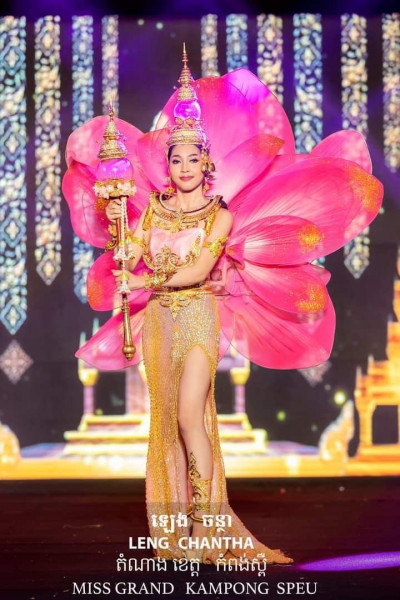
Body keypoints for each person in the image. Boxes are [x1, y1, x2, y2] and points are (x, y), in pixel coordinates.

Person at [63, 48, 383, 566]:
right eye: (176, 159)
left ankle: (205, 525)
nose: (185, 167)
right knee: (167, 423)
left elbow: (194, 271)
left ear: (206, 163)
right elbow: (132, 252)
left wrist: (146, 277)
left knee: (192, 416)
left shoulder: (221, 217)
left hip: (196, 316)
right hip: (159, 322)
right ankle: (181, 526)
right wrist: (121, 242)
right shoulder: (153, 212)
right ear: (167, 165)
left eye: (193, 159)